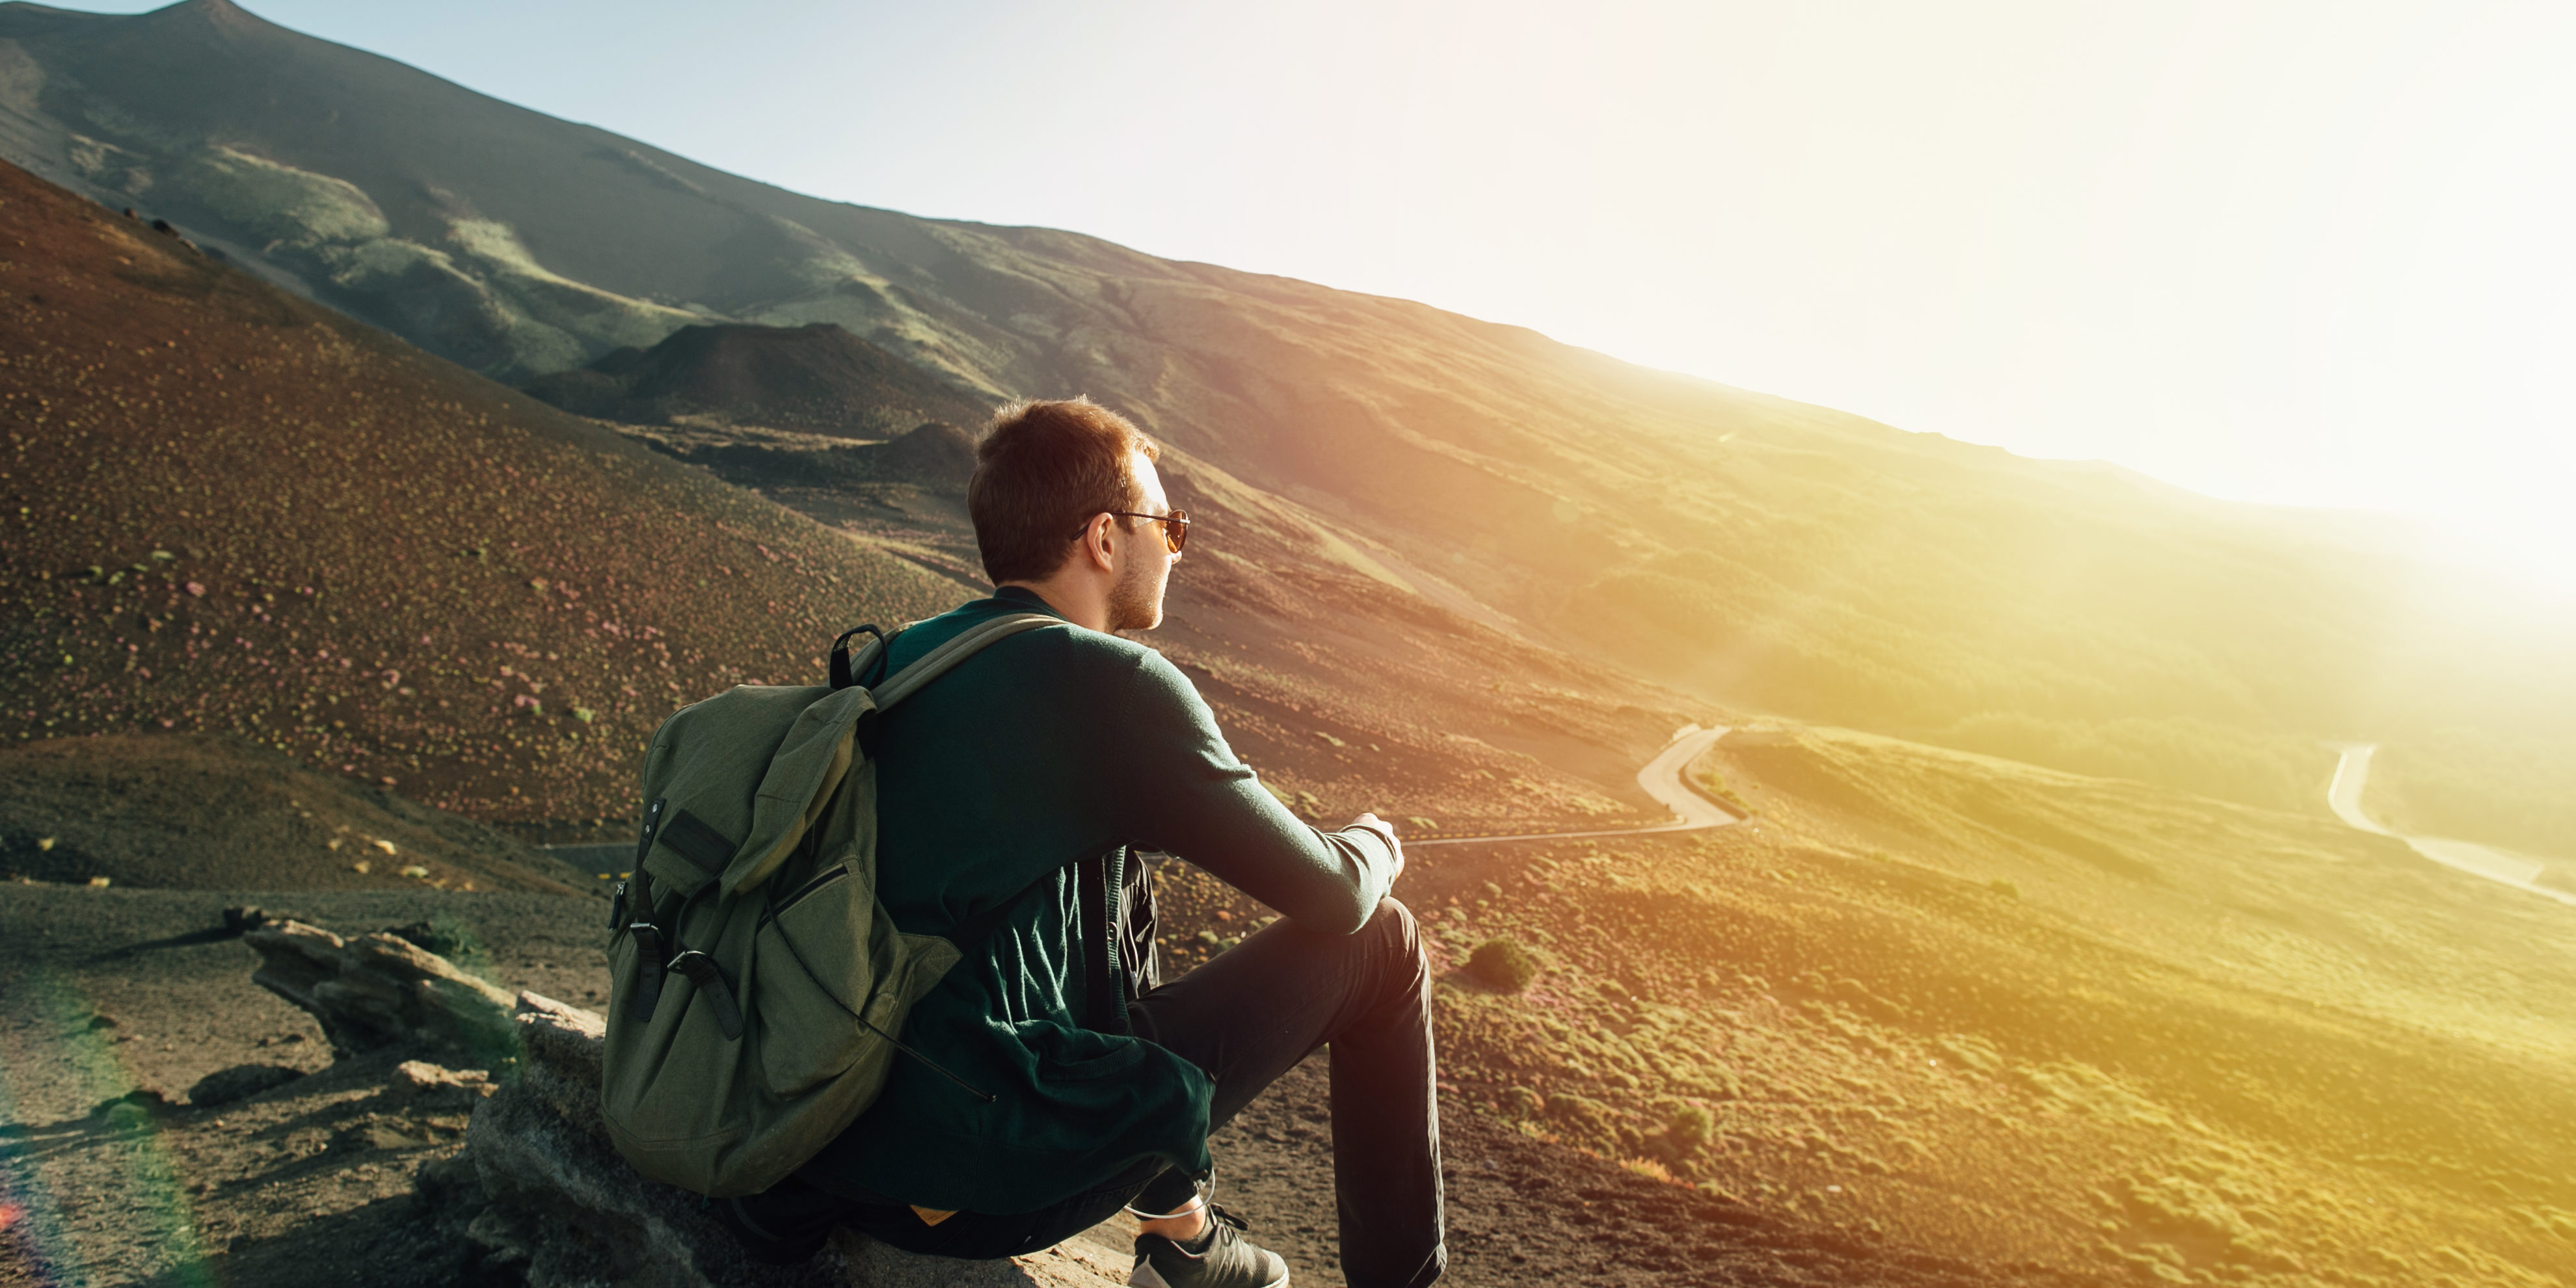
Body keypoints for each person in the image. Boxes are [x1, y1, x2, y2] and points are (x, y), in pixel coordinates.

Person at [719, 397, 1445, 1288]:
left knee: (1096, 905)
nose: (1177, 547)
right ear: (1104, 538)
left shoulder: (901, 656)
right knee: (1384, 941)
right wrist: (1373, 843)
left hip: (798, 1144)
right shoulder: (1115, 683)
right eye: (1170, 526)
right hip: (960, 1177)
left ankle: (1184, 1236)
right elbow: (1334, 894)